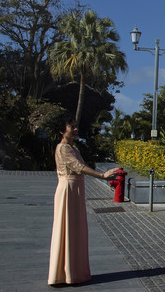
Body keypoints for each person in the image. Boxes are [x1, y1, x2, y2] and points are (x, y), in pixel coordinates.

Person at [49, 116, 118, 286]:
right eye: (71, 126)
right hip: (68, 190)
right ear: (61, 130)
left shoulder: (74, 149)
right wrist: (102, 175)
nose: (75, 129)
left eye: (75, 126)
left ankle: (74, 272)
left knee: (75, 231)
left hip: (76, 191)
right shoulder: (63, 148)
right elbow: (79, 168)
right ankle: (66, 274)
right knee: (67, 230)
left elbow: (81, 168)